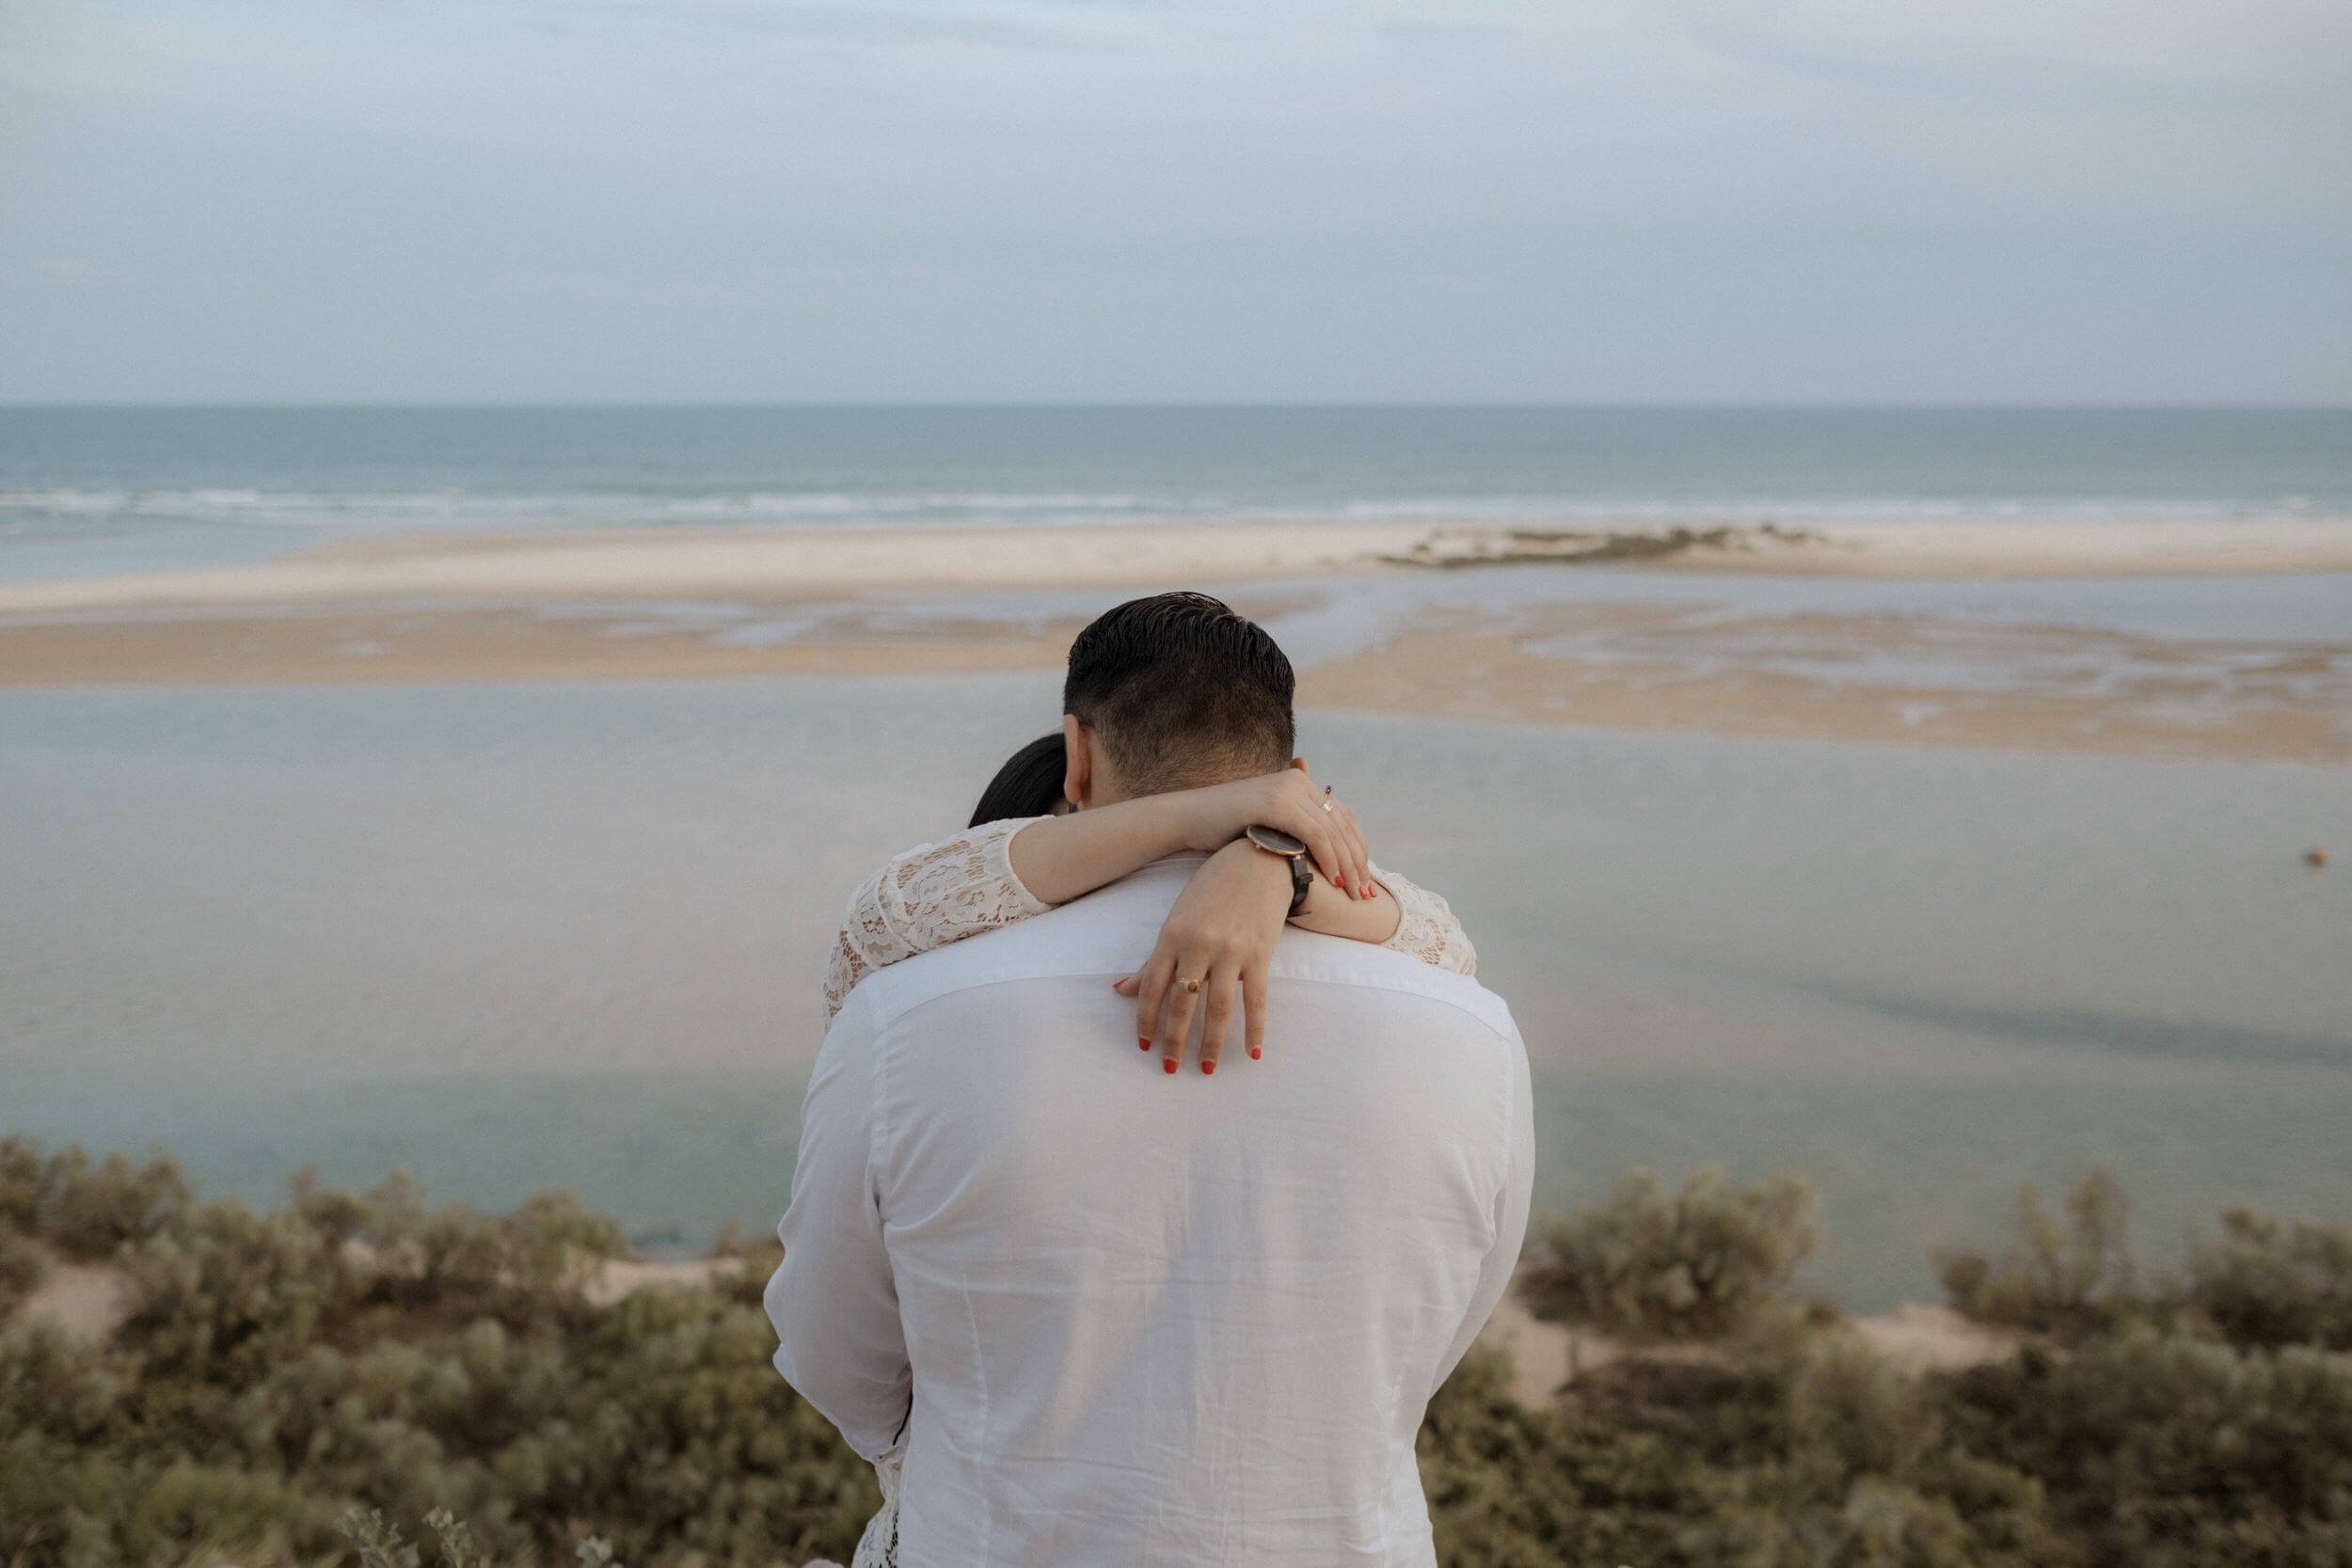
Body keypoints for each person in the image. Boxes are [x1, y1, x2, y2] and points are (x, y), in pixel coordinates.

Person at [768, 593, 1534, 1566]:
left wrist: (966, 1443)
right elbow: (1446, 1325)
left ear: (1075, 755)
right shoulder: (1466, 1022)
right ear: (1298, 783)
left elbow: (832, 1350)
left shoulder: (904, 1010)